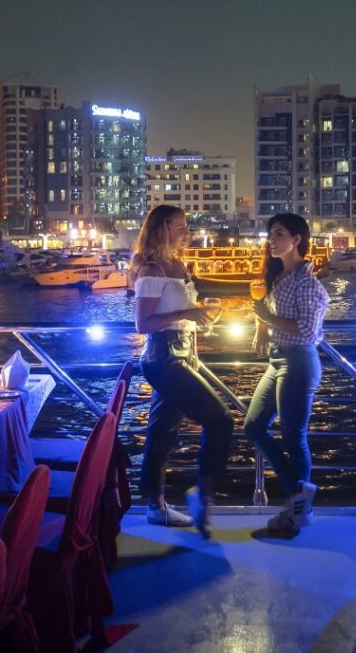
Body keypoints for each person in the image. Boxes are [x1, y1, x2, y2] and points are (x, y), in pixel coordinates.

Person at [132, 205, 234, 538]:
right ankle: (202, 495)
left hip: (185, 353)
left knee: (162, 431)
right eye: (180, 226)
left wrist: (198, 316)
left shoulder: (178, 265)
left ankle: (155, 506)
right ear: (162, 229)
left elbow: (179, 313)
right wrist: (189, 312)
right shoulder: (151, 270)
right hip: (163, 358)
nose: (186, 232)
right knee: (220, 419)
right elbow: (143, 324)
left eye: (187, 225)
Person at [244, 213, 329, 534]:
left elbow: (307, 331)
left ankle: (297, 508)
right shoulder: (281, 277)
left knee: (294, 437)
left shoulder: (308, 283)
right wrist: (262, 328)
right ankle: (299, 494)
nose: (272, 240)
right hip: (278, 360)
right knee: (253, 427)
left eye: (279, 234)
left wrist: (267, 317)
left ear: (297, 240)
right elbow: (268, 310)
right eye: (270, 234)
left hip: (298, 361)